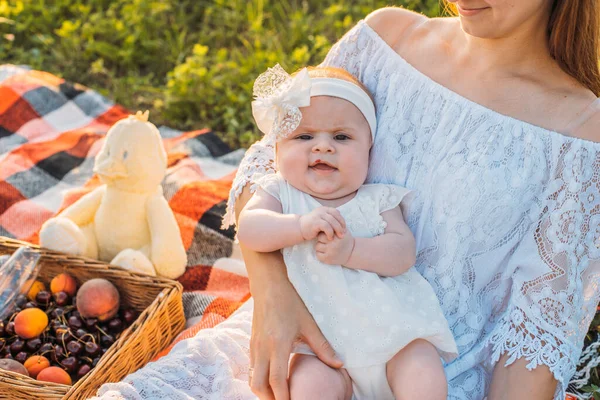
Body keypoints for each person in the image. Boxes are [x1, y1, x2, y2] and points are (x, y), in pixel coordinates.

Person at [92, 2, 600, 400]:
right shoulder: (386, 40)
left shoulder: (580, 131)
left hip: (432, 370)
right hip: (309, 339)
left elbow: (537, 331)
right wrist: (274, 297)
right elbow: (268, 169)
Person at [236, 64, 458, 400]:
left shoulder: (377, 199)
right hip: (321, 349)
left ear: (369, 150)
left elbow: (402, 252)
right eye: (304, 136)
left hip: (393, 338)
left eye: (341, 137)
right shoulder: (280, 194)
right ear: (278, 149)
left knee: (424, 373)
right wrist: (298, 226)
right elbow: (250, 229)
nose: (323, 147)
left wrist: (351, 251)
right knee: (309, 388)